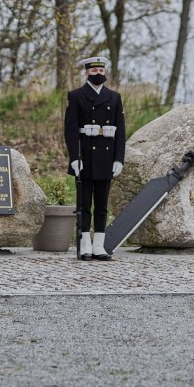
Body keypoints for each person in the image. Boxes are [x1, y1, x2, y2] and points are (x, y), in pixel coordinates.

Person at [64, 56, 126, 261]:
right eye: (94, 71)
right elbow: (70, 130)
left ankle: (99, 244)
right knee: (84, 204)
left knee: (102, 204)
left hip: (106, 157)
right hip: (85, 156)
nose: (98, 74)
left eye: (101, 71)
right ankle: (85, 243)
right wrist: (74, 157)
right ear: (86, 73)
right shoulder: (76, 96)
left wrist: (119, 159)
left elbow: (120, 132)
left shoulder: (114, 97)